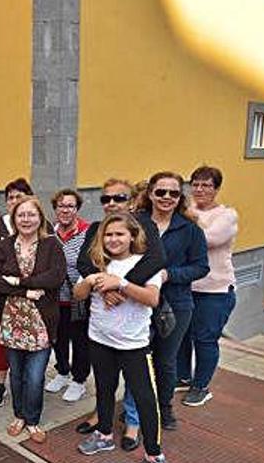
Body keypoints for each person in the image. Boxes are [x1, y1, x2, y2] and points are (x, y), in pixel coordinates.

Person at [75, 178, 166, 451]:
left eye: (120, 235)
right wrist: (92, 280)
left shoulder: (144, 263)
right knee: (104, 390)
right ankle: (104, 436)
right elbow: (79, 294)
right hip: (100, 340)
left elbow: (152, 298)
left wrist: (122, 284)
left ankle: (153, 451)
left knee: (145, 397)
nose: (114, 239)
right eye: (109, 235)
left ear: (132, 236)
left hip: (133, 345)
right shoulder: (100, 262)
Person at [0, 196, 66, 443]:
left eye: (31, 214)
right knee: (17, 374)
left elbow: (56, 277)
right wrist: (24, 292)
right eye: (21, 215)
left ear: (40, 217)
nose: (26, 219)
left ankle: (32, 420)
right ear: (14, 219)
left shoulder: (51, 245)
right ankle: (19, 415)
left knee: (35, 376)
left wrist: (18, 281)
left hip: (41, 322)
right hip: (12, 321)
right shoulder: (4, 246)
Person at [138, 171, 209, 430]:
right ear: (150, 194)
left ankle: (164, 409)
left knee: (165, 361)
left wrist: (170, 274)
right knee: (137, 360)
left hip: (176, 304)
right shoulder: (136, 222)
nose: (166, 197)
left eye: (173, 193)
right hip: (139, 302)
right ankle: (135, 407)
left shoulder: (189, 230)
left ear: (180, 197)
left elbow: (201, 267)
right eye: (160, 192)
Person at [177, 165, 238, 407]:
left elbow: (208, 239)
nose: (200, 189)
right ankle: (181, 377)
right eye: (196, 184)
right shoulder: (185, 211)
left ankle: (201, 386)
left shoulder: (226, 215)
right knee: (181, 337)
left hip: (215, 291)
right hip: (185, 287)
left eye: (206, 185)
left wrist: (184, 221)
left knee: (204, 339)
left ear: (217, 189)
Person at [0, 177, 33, 407]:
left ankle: (26, 384)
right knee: (3, 339)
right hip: (3, 296)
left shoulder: (39, 223)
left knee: (28, 340)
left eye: (18, 196)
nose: (13, 201)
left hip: (33, 297)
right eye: (10, 197)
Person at [44, 188, 92, 402]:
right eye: (61, 206)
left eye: (70, 206)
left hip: (78, 298)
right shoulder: (49, 233)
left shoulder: (87, 232)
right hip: (55, 298)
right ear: (55, 209)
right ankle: (63, 372)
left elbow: (92, 263)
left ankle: (79, 380)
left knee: (80, 340)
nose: (65, 210)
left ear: (77, 209)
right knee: (58, 338)